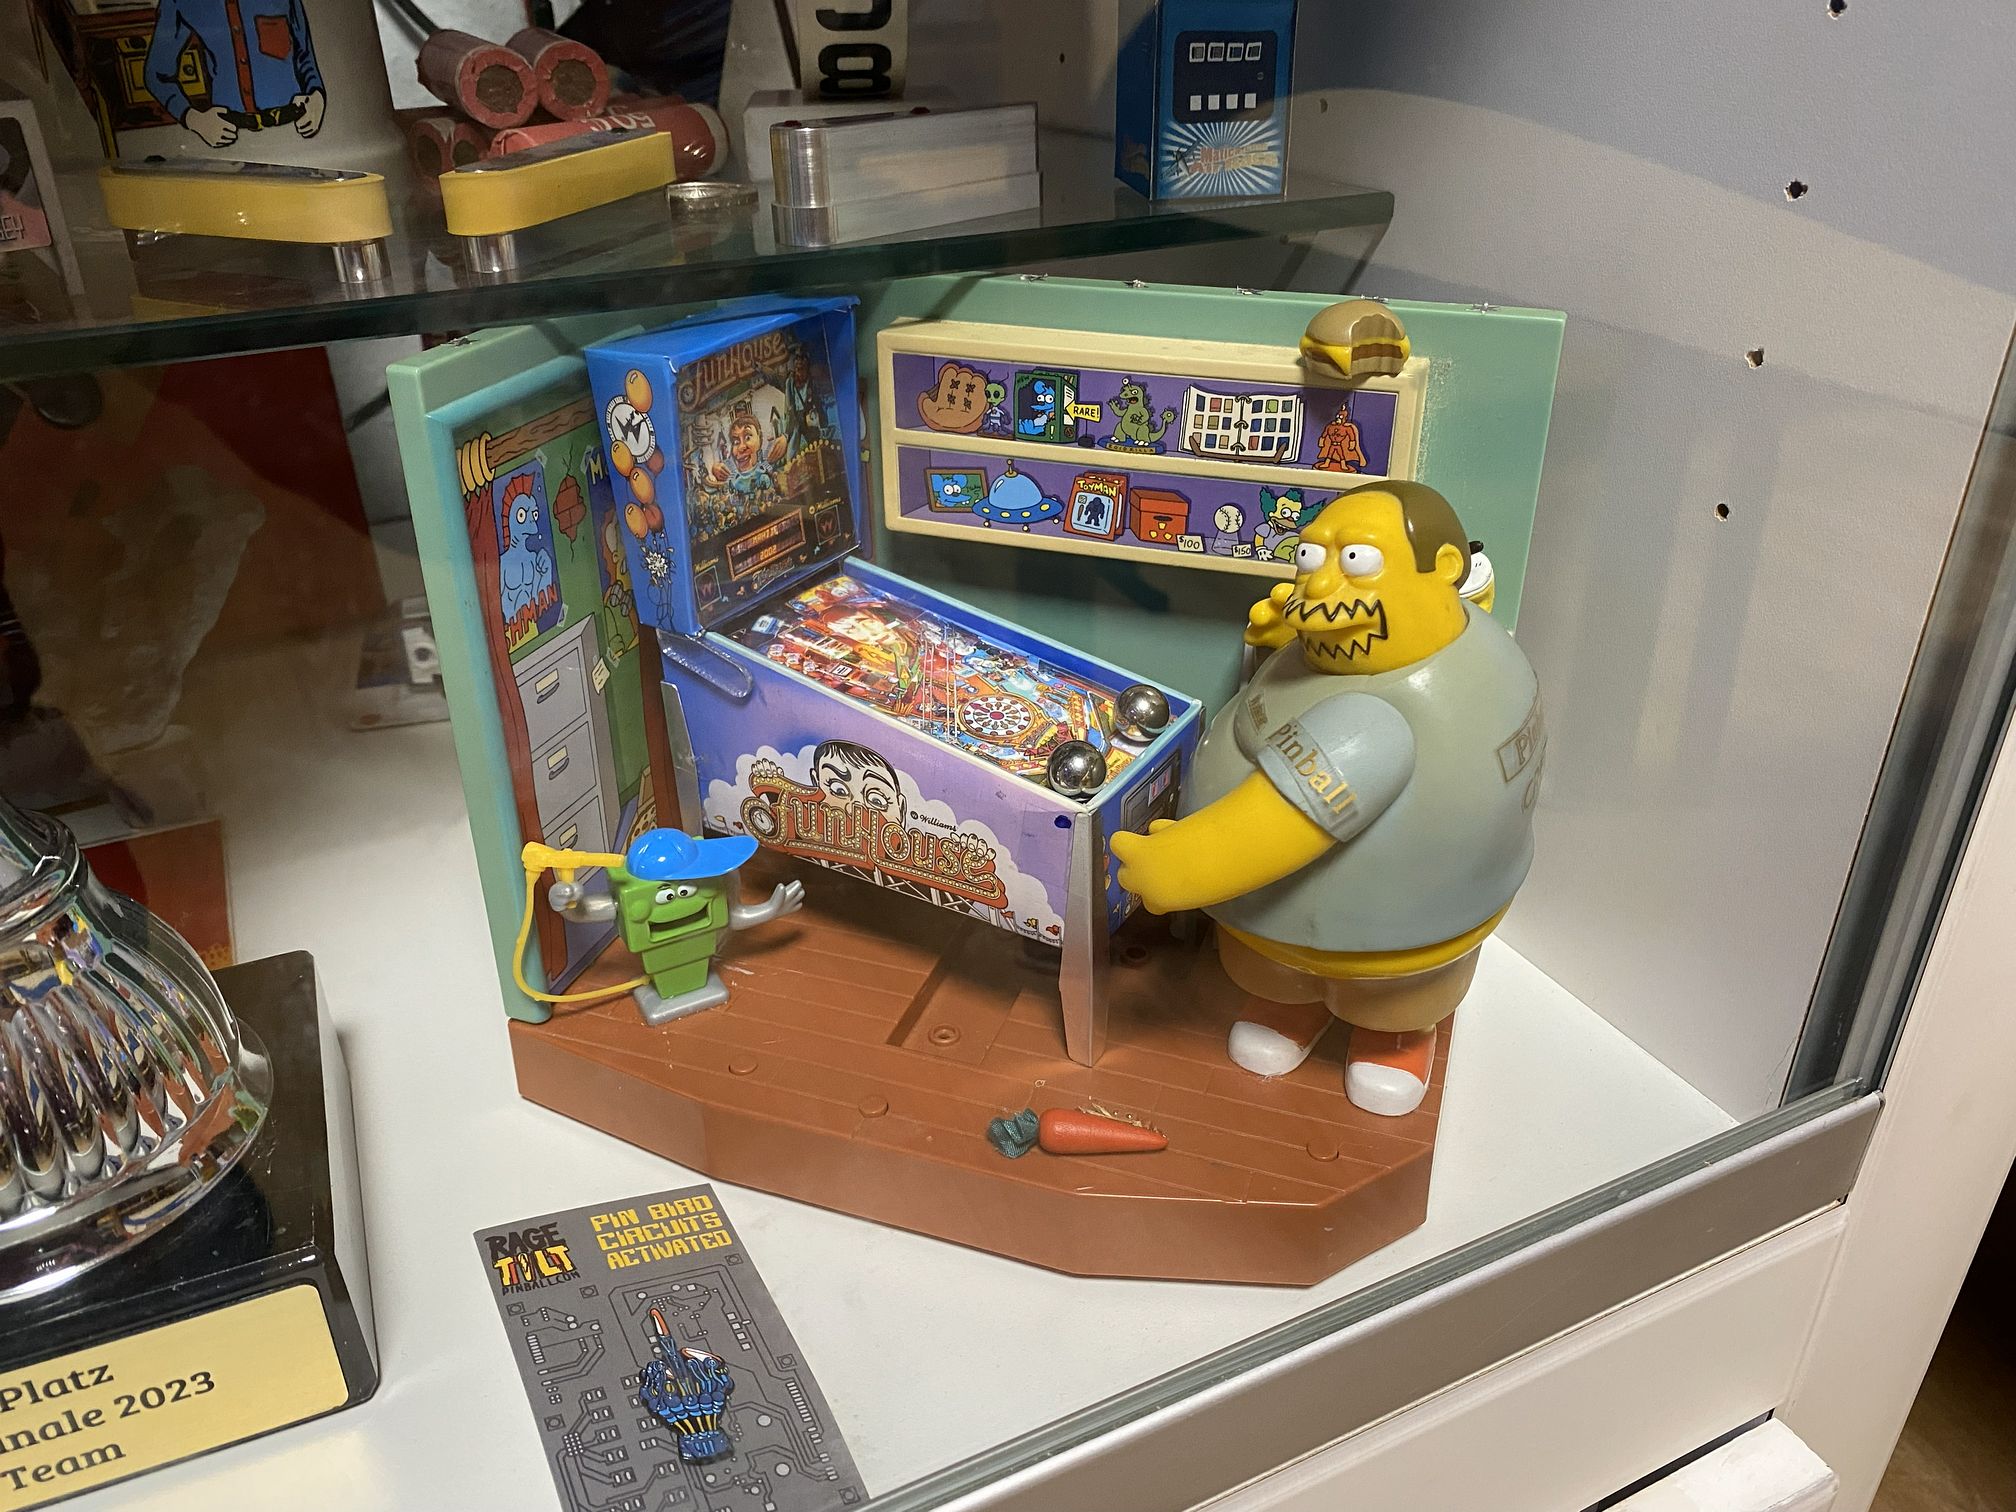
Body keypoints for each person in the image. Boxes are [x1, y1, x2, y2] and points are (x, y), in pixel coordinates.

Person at [1111, 481, 1543, 1117]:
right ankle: (1296, 1008)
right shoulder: (1477, 634)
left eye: (1357, 562)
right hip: (1312, 926)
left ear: (1443, 571)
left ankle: (1395, 1038)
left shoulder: (1374, 719)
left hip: (1392, 927)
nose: (1318, 583)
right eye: (1311, 557)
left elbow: (1280, 822)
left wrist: (1179, 867)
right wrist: (1277, 641)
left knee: (1394, 997)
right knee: (1278, 976)